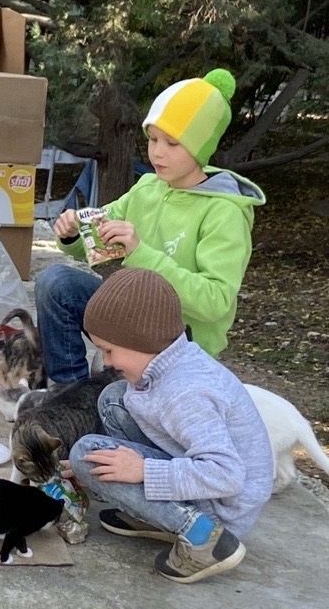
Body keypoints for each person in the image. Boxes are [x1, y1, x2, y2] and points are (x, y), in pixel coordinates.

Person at [36, 68, 266, 384]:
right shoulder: (147, 187)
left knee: (118, 402)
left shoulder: (224, 211)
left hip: (178, 341)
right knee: (56, 282)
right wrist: (75, 233)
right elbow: (98, 242)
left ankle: (113, 393)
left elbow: (215, 302)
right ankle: (72, 391)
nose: (157, 152)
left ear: (200, 148)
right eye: (153, 139)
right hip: (132, 315)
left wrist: (140, 252)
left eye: (172, 143)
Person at [63, 267, 272, 584]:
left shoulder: (185, 393)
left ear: (140, 340)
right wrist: (111, 465)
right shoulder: (164, 362)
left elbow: (227, 475)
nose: (105, 361)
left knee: (86, 452)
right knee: (114, 399)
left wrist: (143, 471)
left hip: (221, 507)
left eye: (108, 350)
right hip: (203, 479)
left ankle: (204, 539)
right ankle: (156, 515)